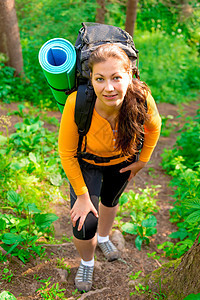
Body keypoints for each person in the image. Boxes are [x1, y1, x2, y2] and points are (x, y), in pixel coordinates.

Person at [58, 43, 161, 292]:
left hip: (123, 161)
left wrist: (143, 160)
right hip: (87, 163)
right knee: (85, 224)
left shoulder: (141, 97)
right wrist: (82, 196)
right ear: (91, 80)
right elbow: (67, 153)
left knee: (110, 200)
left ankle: (104, 239)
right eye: (100, 79)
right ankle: (87, 261)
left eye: (116, 77)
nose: (109, 87)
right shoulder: (77, 103)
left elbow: (154, 127)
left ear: (129, 75)